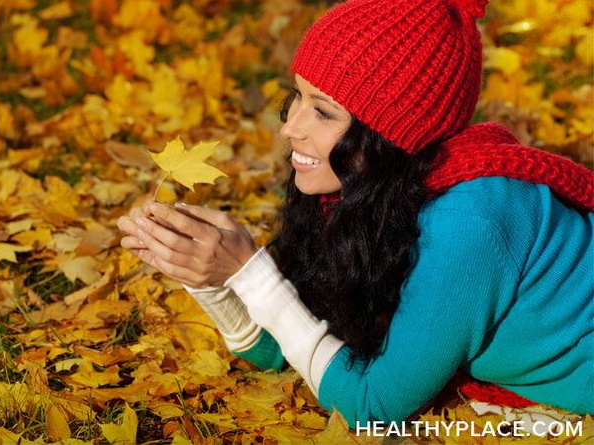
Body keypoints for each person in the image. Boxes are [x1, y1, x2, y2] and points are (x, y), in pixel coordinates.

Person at [117, 0, 594, 425]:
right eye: (297, 97)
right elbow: (299, 351)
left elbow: (372, 408)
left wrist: (253, 274)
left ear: (390, 135)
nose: (290, 128)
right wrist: (210, 280)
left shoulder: (468, 223)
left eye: (323, 112)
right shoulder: (374, 191)